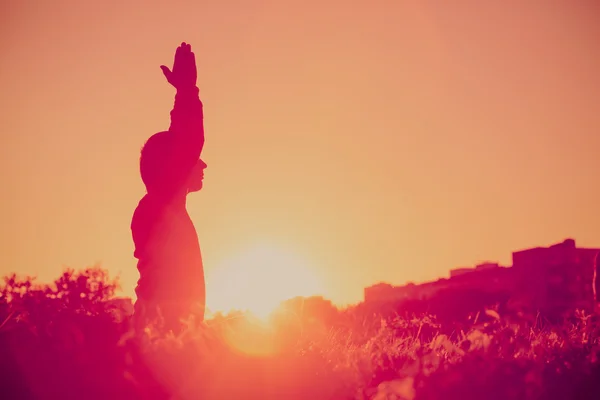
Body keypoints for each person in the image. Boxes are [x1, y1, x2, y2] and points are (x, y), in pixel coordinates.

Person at [131, 42, 207, 333]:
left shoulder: (159, 209)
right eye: (193, 160)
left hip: (163, 336)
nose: (202, 165)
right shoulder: (159, 208)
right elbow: (187, 139)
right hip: (161, 337)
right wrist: (187, 91)